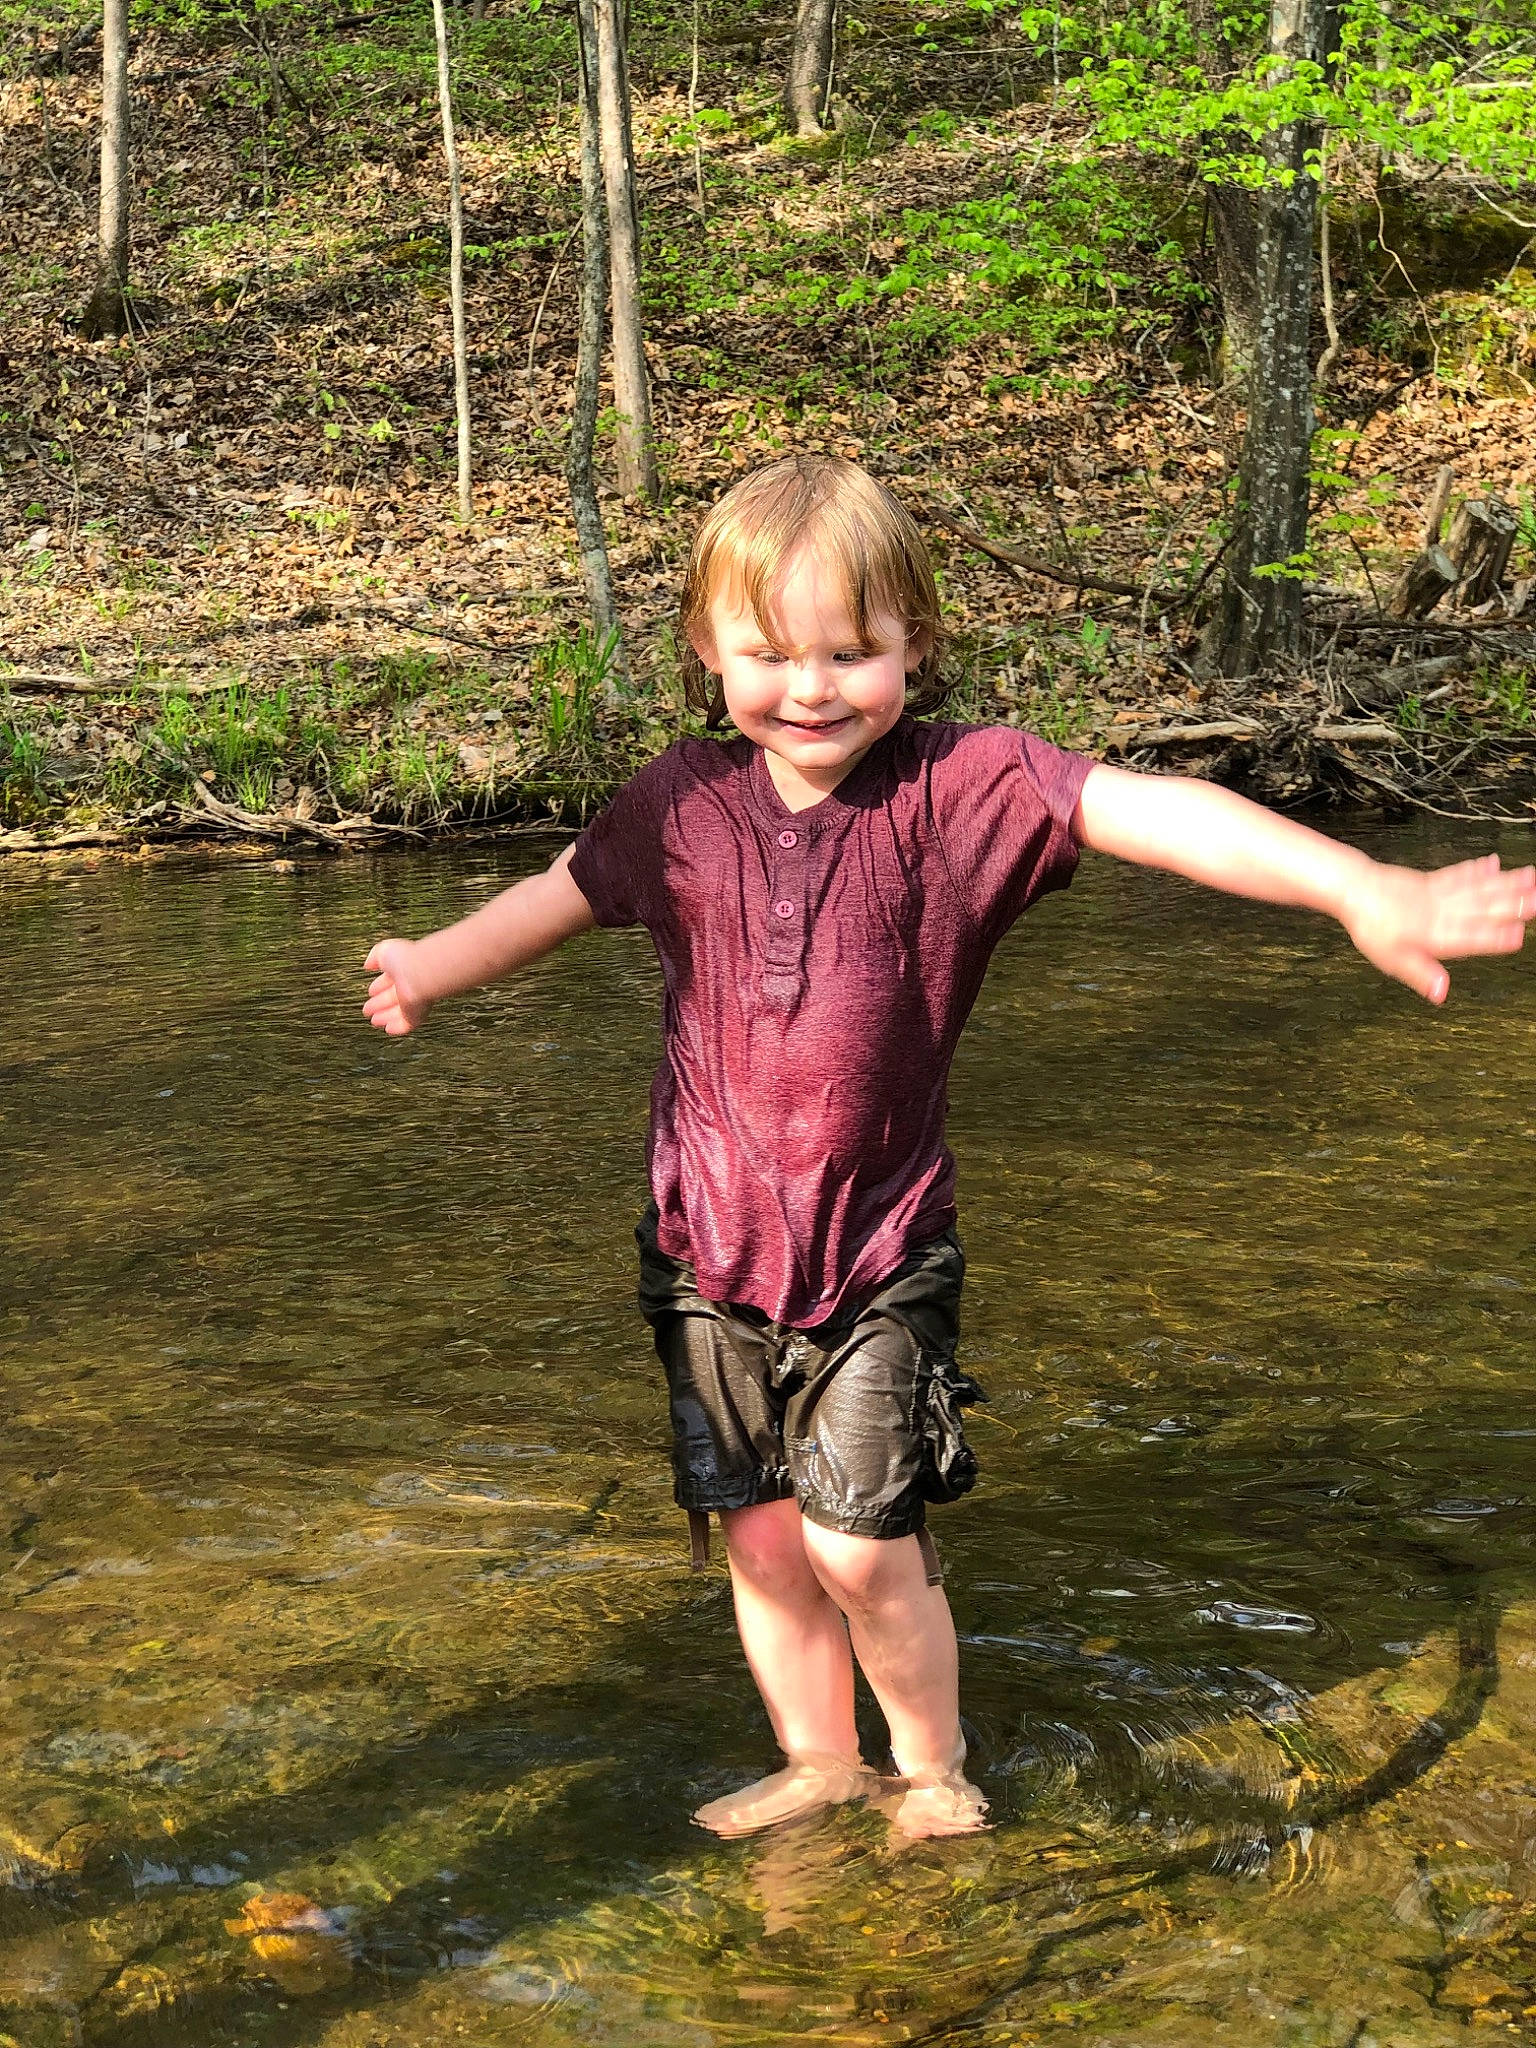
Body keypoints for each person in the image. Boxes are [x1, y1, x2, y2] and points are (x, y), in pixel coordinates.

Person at [362, 454, 1534, 1841]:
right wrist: (435, 966)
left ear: (916, 640)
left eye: (852, 651)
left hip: (877, 1255)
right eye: (769, 654)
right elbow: (558, 894)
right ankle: (817, 1762)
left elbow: (1152, 811)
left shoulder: (968, 791)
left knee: (860, 1543)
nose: (811, 687)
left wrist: (1358, 883)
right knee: (762, 1539)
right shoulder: (674, 807)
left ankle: (930, 1768)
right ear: (704, 652)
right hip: (703, 1255)